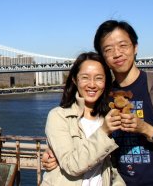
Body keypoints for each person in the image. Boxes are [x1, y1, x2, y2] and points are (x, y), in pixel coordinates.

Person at [43, 20, 153, 185]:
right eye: (108, 49)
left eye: (123, 45)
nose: (117, 53)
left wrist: (145, 128)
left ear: (135, 47)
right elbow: (93, 142)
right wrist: (56, 153)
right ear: (103, 56)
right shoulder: (103, 97)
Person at [41, 51, 125, 186]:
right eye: (85, 77)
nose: (92, 85)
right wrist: (103, 132)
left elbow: (112, 168)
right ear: (75, 79)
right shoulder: (58, 116)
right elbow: (71, 166)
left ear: (106, 82)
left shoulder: (109, 117)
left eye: (99, 78)